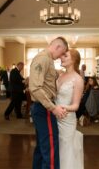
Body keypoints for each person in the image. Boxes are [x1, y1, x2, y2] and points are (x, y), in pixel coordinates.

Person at [29, 37, 68, 169]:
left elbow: (46, 79)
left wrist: (57, 73)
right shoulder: (43, 58)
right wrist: (53, 108)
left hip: (42, 107)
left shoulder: (47, 59)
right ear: (57, 47)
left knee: (42, 146)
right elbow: (35, 88)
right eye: (62, 52)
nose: (60, 57)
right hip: (44, 108)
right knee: (50, 146)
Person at [55, 49, 84, 169]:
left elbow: (75, 106)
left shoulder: (78, 79)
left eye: (65, 56)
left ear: (73, 60)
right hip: (55, 117)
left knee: (66, 149)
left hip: (66, 120)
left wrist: (59, 108)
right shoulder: (61, 75)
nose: (61, 57)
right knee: (57, 149)